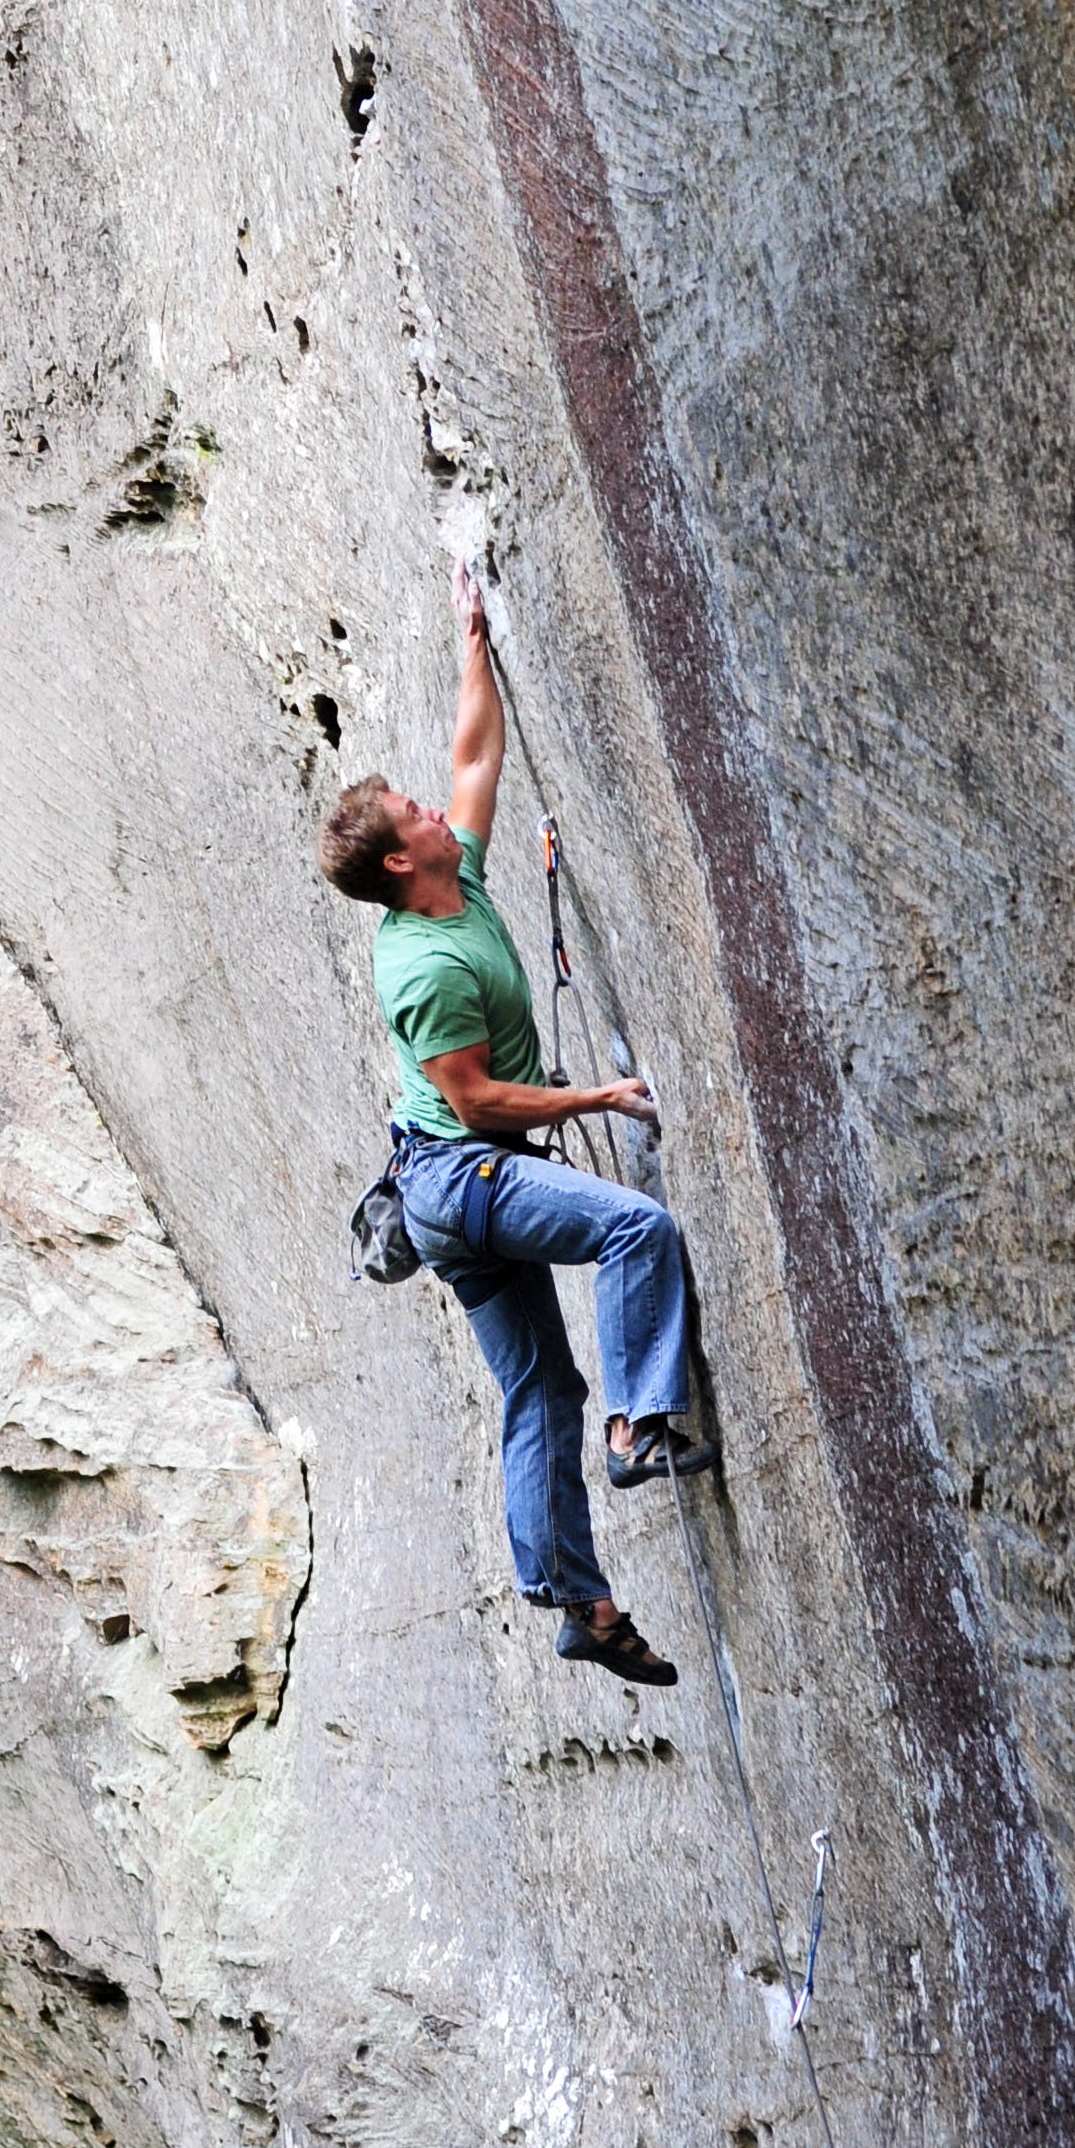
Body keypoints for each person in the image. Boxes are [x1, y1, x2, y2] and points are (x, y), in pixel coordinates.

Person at [318, 566, 710, 1688]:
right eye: (414, 814)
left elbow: (476, 756)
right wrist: (597, 1096)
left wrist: (471, 636)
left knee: (541, 1388)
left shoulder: (462, 881)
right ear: (402, 858)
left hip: (460, 1185)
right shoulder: (428, 962)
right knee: (637, 1231)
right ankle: (641, 1429)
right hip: (461, 1180)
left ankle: (578, 1600)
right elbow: (479, 1099)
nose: (435, 808)